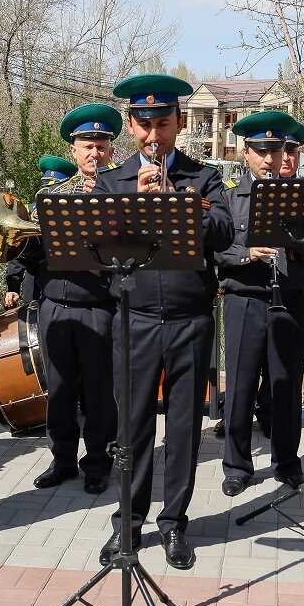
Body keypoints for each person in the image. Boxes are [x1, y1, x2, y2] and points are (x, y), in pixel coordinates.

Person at [93, 74, 234, 570]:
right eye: (145, 125)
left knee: (184, 427)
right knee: (131, 427)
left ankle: (174, 522)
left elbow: (223, 232)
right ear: (131, 125)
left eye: (163, 124)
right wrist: (132, 202)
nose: (154, 135)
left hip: (190, 317)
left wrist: (177, 198)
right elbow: (95, 247)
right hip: (133, 318)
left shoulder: (204, 176)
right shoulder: (111, 181)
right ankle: (127, 523)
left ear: (178, 123)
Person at [4, 103, 122, 494]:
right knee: (59, 390)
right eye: (87, 146)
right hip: (54, 305)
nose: (94, 153)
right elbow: (31, 256)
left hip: (100, 306)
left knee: (100, 392)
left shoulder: (120, 193)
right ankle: (62, 460)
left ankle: (98, 462)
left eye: (101, 146)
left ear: (111, 150)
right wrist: (20, 244)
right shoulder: (49, 196)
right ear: (73, 151)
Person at [217, 110, 304, 497]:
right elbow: (214, 250)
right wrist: (246, 253)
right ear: (246, 153)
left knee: (286, 386)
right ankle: (237, 466)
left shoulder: (300, 196)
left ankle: (287, 463)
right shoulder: (228, 198)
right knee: (240, 385)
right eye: (261, 151)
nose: (270, 159)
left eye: (276, 150)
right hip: (245, 299)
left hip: (289, 300)